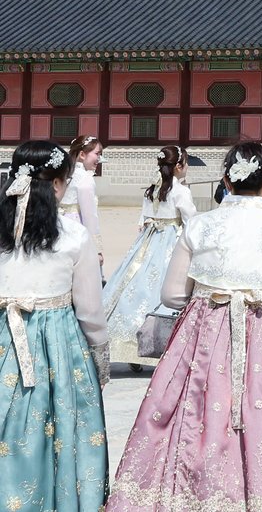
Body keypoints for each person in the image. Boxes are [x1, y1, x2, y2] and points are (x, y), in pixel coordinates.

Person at [108, 142, 262, 510]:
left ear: (226, 182)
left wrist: (207, 299)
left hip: (202, 341)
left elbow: (170, 295)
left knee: (191, 419)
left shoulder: (200, 226)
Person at [1, 141, 109, 511]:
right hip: (56, 345)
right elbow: (90, 310)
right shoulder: (74, 236)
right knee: (57, 429)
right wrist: (99, 355)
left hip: (3, 335)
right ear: (60, 185)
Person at [101, 144, 197, 366]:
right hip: (172, 239)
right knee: (166, 288)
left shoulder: (152, 188)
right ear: (179, 166)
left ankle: (130, 344)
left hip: (148, 240)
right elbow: (191, 222)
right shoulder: (181, 191)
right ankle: (159, 344)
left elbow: (142, 217)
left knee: (134, 286)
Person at [61, 135, 104, 265]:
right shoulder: (85, 178)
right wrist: (97, 250)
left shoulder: (64, 173)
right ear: (82, 155)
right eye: (97, 154)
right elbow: (90, 215)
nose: (99, 159)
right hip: (76, 226)